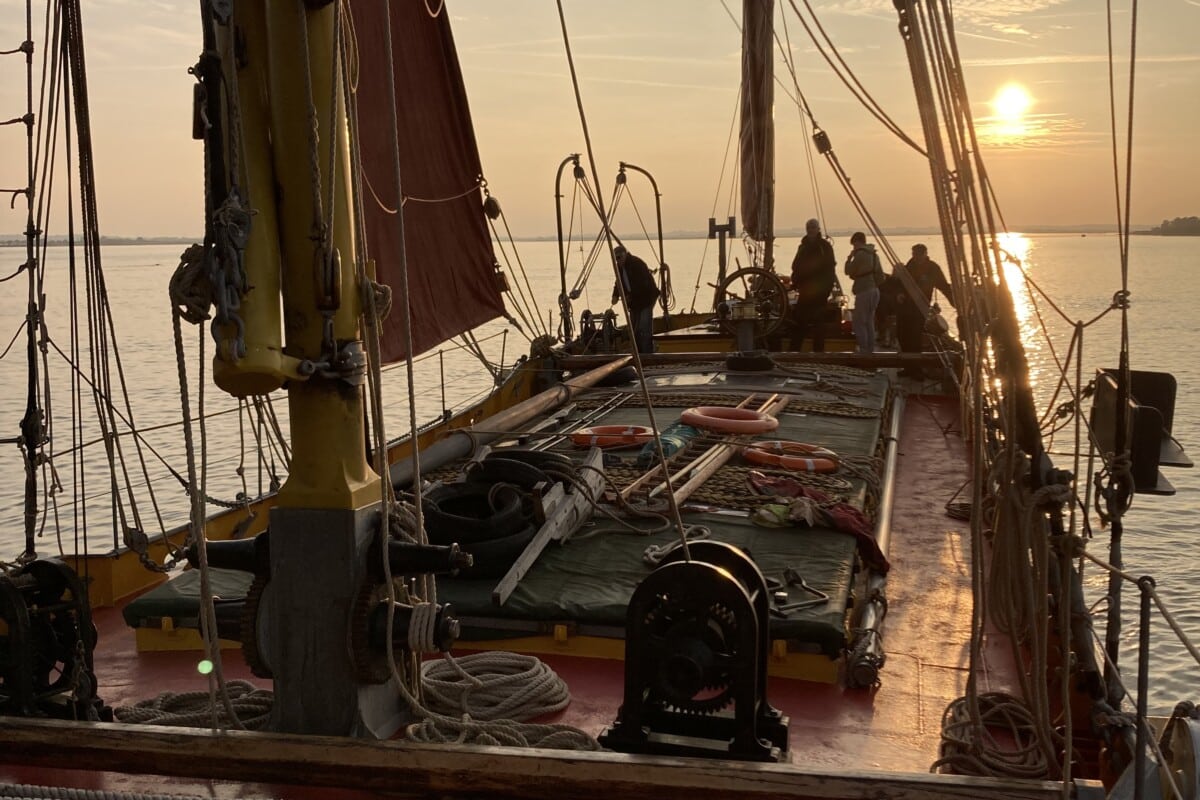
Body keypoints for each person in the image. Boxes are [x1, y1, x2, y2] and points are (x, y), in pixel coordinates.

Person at [894, 243, 954, 359]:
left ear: (925, 254)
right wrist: (899, 293)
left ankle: (916, 367)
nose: (917, 258)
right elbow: (898, 284)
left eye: (919, 255)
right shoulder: (909, 267)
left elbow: (943, 286)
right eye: (914, 255)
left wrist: (953, 301)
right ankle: (907, 366)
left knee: (915, 336)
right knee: (902, 334)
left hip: (920, 307)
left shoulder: (933, 268)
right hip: (905, 307)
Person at [789, 218, 836, 352]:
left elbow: (830, 269)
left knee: (819, 324)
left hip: (820, 292)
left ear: (818, 229)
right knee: (799, 322)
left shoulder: (825, 247)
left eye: (813, 228)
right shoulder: (802, 247)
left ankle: (818, 353)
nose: (811, 230)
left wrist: (827, 289)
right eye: (809, 228)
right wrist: (795, 281)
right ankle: (794, 352)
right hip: (805, 291)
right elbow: (795, 266)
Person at [611, 244, 660, 353]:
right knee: (634, 328)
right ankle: (638, 352)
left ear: (625, 255)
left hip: (646, 299)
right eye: (615, 258)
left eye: (619, 257)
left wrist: (631, 296)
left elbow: (643, 284)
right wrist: (615, 295)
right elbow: (618, 283)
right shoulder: (619, 267)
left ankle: (647, 353)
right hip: (634, 302)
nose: (617, 260)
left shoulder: (637, 264)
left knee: (644, 326)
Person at [844, 231, 882, 354]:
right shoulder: (874, 254)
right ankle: (871, 350)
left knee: (859, 323)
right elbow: (881, 276)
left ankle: (863, 350)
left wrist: (849, 258)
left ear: (857, 242)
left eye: (853, 245)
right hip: (875, 291)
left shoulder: (860, 254)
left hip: (864, 291)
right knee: (869, 322)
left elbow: (848, 270)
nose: (853, 248)